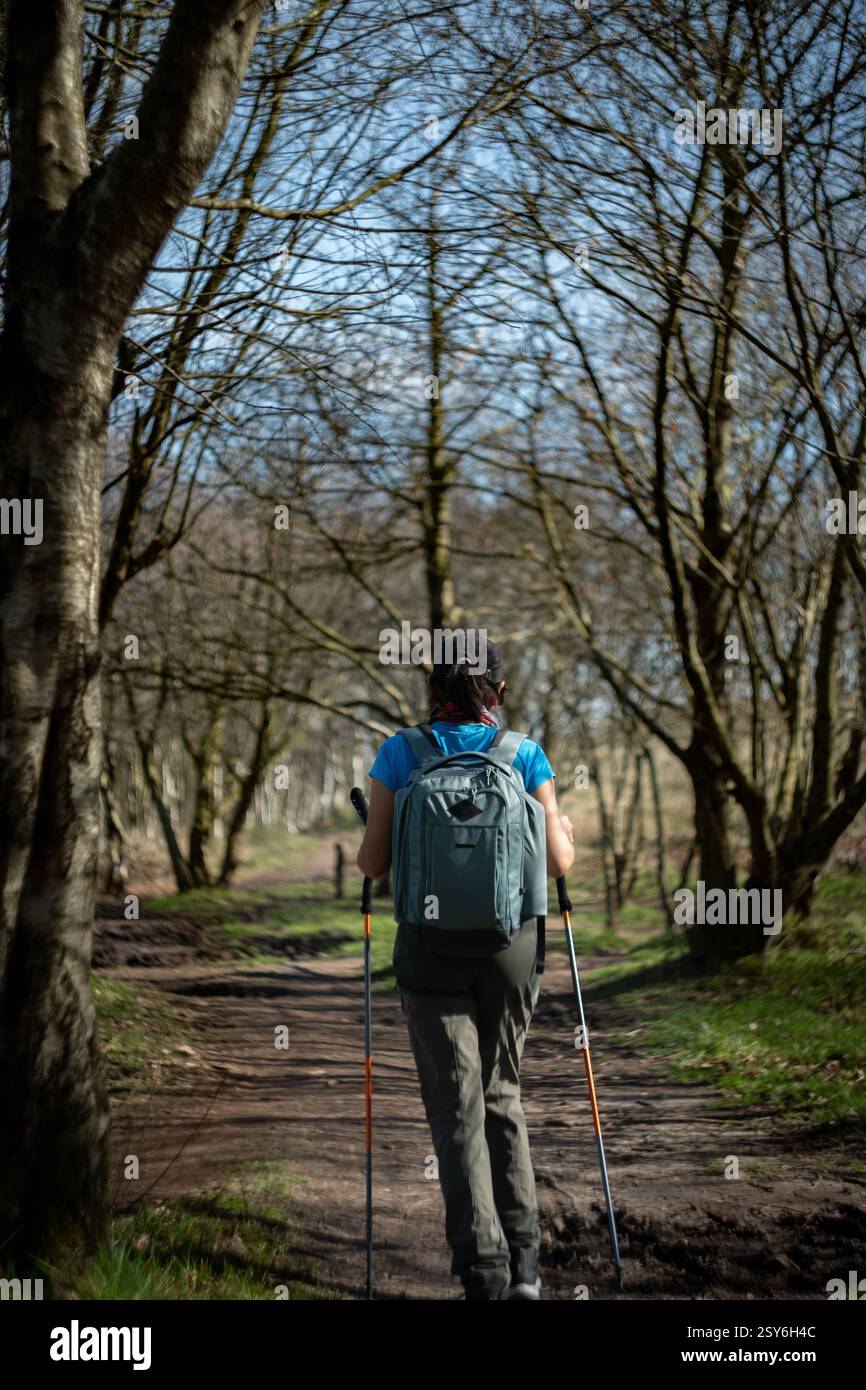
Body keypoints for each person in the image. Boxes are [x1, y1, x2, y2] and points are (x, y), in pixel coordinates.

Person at [356, 642, 574, 1300]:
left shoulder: (400, 753)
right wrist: (562, 827)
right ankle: (527, 1267)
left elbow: (370, 866)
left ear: (433, 691)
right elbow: (559, 862)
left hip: (427, 945)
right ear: (497, 692)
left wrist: (382, 828)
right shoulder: (524, 753)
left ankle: (482, 1271)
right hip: (511, 944)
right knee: (502, 1091)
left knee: (456, 1108)